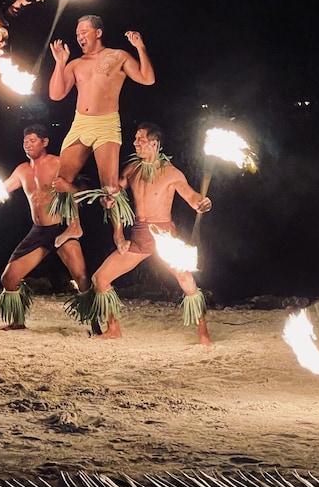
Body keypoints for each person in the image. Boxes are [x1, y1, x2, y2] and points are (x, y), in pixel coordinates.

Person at [67, 122, 213, 345]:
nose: (135, 143)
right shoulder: (132, 170)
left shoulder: (171, 173)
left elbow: (192, 198)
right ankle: (113, 329)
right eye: (135, 139)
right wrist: (111, 212)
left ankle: (203, 334)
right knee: (100, 279)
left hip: (164, 236)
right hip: (139, 237)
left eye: (140, 140)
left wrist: (202, 203)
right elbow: (115, 194)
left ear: (154, 144)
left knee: (187, 281)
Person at [0, 123, 100, 334]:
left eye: (32, 141)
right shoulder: (22, 170)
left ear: (44, 142)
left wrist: (70, 198)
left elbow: (81, 189)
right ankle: (17, 321)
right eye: (25, 141)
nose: (27, 145)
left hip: (61, 228)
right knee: (9, 278)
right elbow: (1, 190)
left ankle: (97, 327)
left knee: (81, 277)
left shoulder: (58, 163)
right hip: (38, 232)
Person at [48, 14, 155, 247]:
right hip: (80, 123)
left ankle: (118, 235)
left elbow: (147, 79)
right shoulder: (75, 64)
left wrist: (140, 48)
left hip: (106, 124)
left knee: (110, 188)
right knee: (61, 181)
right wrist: (60, 62)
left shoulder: (118, 56)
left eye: (84, 32)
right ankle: (74, 226)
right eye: (77, 34)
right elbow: (56, 95)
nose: (79, 37)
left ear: (98, 33)